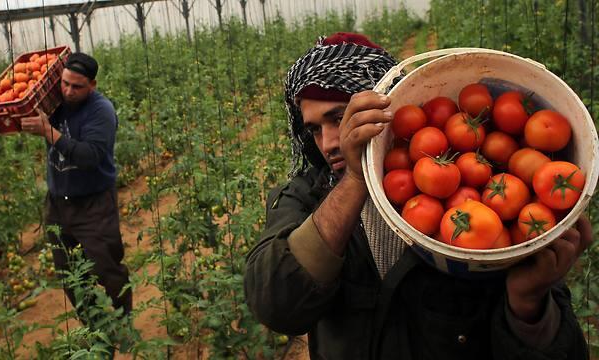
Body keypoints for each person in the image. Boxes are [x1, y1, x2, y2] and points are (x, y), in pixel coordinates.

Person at [244, 32, 593, 359]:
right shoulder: (304, 196)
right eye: (315, 129)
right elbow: (277, 305)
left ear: (386, 109)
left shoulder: (502, 211)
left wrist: (528, 304)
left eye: (340, 117)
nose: (329, 142)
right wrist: (355, 179)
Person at [0, 52, 132, 322]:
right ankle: (94, 328)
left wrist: (48, 132)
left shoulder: (101, 110)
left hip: (94, 202)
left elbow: (89, 157)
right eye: (65, 83)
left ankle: (125, 319)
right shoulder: (52, 101)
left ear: (93, 85)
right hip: (58, 203)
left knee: (107, 266)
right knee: (69, 272)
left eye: (77, 86)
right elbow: (7, 111)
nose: (68, 91)